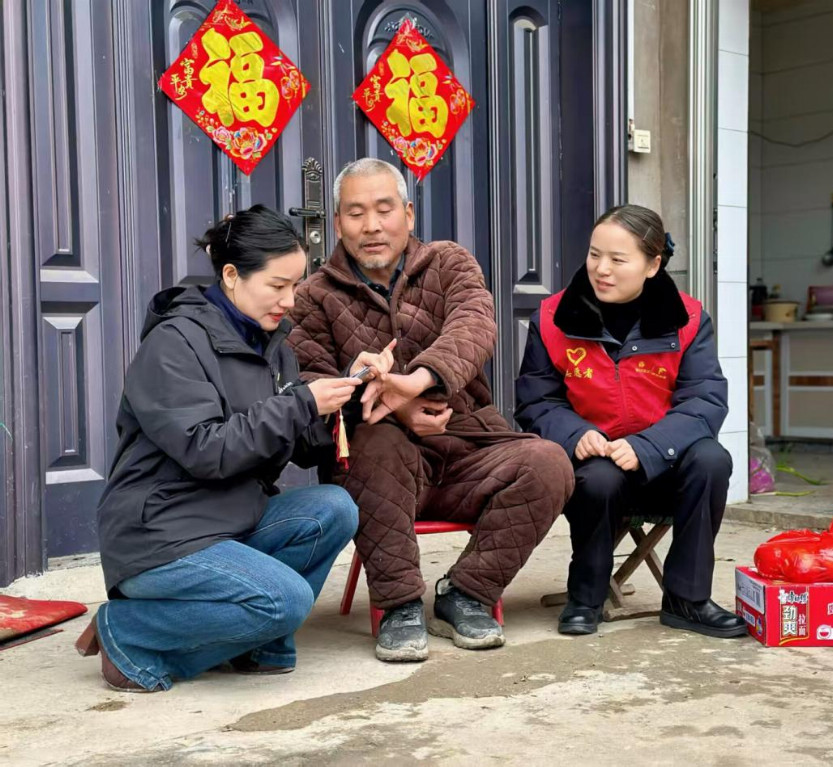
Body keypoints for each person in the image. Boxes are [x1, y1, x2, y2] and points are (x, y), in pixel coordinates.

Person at [76, 205, 384, 692]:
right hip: (161, 534)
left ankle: (254, 644)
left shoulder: (271, 344)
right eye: (277, 285)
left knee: (333, 508)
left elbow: (300, 444)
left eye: (296, 285)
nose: (290, 300)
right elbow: (207, 450)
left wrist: (348, 396)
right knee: (285, 600)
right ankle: (130, 634)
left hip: (230, 519)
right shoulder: (174, 343)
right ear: (232, 275)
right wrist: (301, 403)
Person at [288, 158, 574, 663]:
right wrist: (390, 406)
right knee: (373, 445)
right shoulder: (313, 296)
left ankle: (466, 593)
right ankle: (398, 606)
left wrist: (415, 383)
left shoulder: (448, 263)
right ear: (336, 223)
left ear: (409, 214)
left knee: (549, 463)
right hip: (381, 468)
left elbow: (474, 326)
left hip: (469, 448)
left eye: (384, 209)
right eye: (355, 213)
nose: (371, 226)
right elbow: (310, 383)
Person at [515, 204, 746, 639]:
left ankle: (687, 599)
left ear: (652, 265)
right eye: (594, 254)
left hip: (666, 464)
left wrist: (647, 447)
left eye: (618, 260)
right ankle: (586, 598)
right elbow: (535, 401)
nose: (601, 269)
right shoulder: (552, 318)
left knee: (712, 460)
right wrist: (575, 434)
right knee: (599, 479)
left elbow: (705, 400)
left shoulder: (688, 319)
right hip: (596, 465)